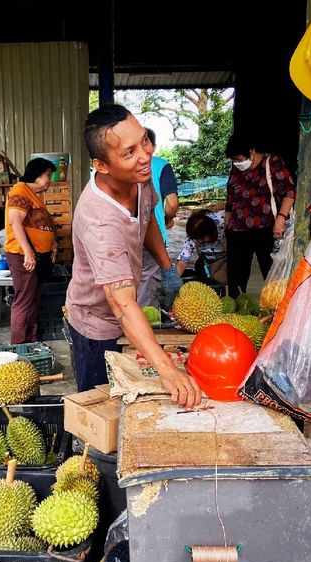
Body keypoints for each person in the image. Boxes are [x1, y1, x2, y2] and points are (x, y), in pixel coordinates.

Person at [65, 104, 201, 407]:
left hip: (128, 313)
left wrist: (166, 269)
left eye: (145, 141)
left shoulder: (138, 176)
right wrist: (167, 370)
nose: (144, 155)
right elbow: (122, 305)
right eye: (129, 152)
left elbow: (148, 216)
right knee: (105, 409)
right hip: (96, 325)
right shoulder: (99, 221)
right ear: (101, 165)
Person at [224, 132, 296, 297]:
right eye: (234, 160)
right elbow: (230, 198)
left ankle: (276, 312)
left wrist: (281, 218)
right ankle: (236, 310)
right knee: (236, 278)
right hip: (237, 231)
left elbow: (290, 192)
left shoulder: (272, 163)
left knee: (272, 274)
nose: (237, 163)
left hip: (266, 229)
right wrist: (227, 224)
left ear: (252, 151)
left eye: (239, 159)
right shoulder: (235, 169)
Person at [4, 157, 58, 344]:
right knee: (24, 302)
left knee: (32, 301)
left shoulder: (32, 195)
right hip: (22, 255)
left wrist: (51, 243)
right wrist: (27, 251)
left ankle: (31, 342)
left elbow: (39, 224)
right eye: (47, 175)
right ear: (36, 174)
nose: (49, 180)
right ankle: (19, 346)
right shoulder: (20, 191)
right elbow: (15, 221)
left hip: (36, 255)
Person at [136, 127, 180, 307]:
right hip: (153, 237)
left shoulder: (121, 166)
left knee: (129, 281)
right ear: (153, 146)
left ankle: (130, 323)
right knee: (148, 284)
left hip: (127, 236)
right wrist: (168, 219)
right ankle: (143, 325)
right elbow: (172, 202)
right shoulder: (161, 165)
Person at [176, 208, 227, 286]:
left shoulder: (224, 221)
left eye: (202, 239)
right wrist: (174, 281)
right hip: (208, 261)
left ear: (211, 231)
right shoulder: (193, 233)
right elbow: (182, 262)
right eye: (196, 239)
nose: (199, 242)